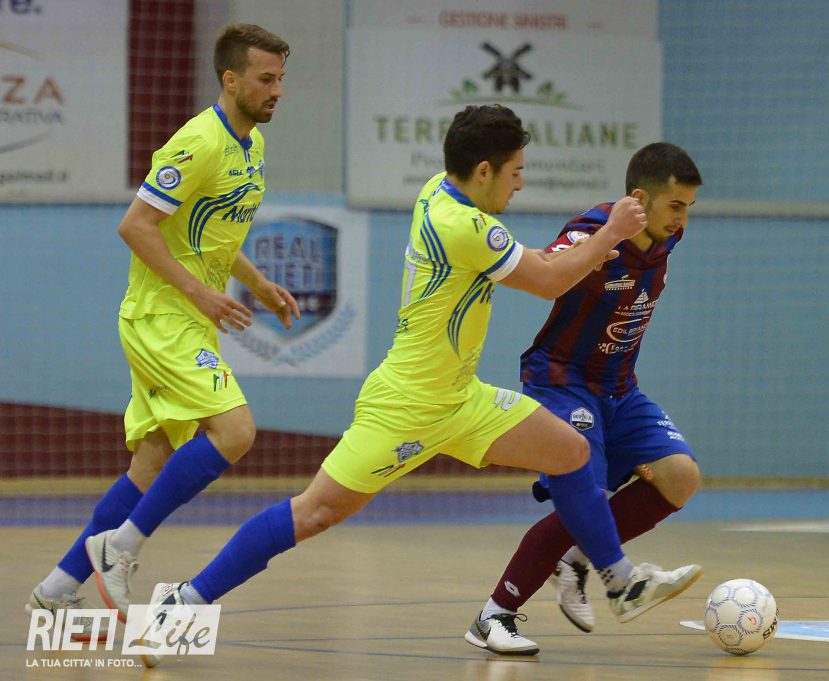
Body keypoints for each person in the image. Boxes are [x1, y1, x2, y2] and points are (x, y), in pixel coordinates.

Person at [139, 105, 698, 667]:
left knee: (571, 452)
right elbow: (549, 280)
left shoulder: (438, 190)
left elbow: (536, 261)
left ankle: (617, 579)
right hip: (407, 404)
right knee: (313, 513)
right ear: (484, 171)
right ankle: (184, 601)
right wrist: (611, 233)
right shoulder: (468, 228)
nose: (520, 184)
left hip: (462, 398)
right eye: (515, 172)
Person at [24, 24, 298, 639]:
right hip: (162, 317)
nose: (277, 90)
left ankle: (57, 589)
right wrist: (200, 292)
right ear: (231, 80)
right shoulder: (197, 142)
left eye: (281, 79)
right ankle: (121, 546)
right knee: (236, 431)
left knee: (151, 463)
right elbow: (136, 226)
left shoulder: (251, 145)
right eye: (266, 79)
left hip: (188, 318)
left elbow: (213, 234)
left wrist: (256, 283)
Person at [464, 142, 704, 655]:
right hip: (563, 380)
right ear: (639, 199)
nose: (683, 220)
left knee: (681, 477)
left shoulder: (667, 236)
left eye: (688, 207)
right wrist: (601, 241)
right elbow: (548, 271)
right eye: (675, 206)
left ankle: (575, 558)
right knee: (583, 495)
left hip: (620, 387)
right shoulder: (592, 230)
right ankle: (494, 616)